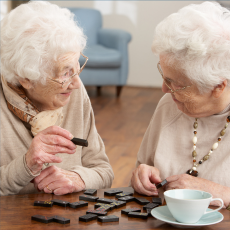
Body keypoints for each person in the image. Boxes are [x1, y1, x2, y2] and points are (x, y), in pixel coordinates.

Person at [0, 1, 114, 196]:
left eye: (76, 66)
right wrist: (26, 164)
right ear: (26, 78)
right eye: (64, 72)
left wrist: (77, 178)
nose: (77, 83)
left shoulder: (74, 92)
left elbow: (103, 171)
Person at [131, 1, 230, 208]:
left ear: (218, 87)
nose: (165, 90)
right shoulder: (169, 105)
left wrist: (219, 192)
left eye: (177, 84)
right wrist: (143, 175)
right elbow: (145, 165)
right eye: (165, 77)